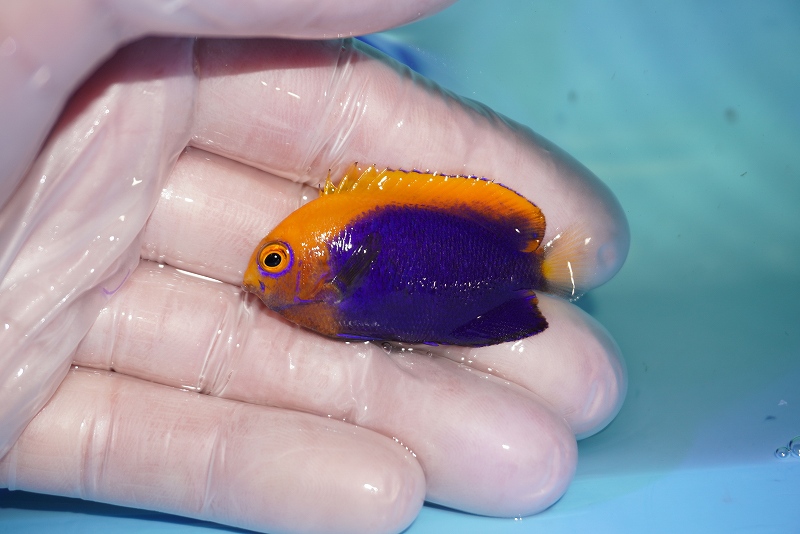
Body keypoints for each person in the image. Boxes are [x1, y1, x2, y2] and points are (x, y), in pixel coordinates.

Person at [0, 2, 630, 533]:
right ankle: (534, 276)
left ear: (310, 263)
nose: (260, 276)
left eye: (274, 262)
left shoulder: (324, 255)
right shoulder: (318, 270)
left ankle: (538, 272)